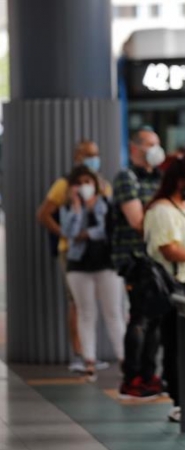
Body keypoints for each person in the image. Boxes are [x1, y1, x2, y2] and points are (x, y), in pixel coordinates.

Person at [36, 139, 111, 373]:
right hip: (72, 254)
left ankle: (92, 353)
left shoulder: (103, 184)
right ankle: (80, 355)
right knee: (78, 303)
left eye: (96, 154)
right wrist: (67, 235)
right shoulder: (64, 185)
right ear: (77, 157)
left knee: (103, 304)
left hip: (100, 254)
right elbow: (44, 214)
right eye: (88, 154)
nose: (93, 158)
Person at [143, 151, 185, 422]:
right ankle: (180, 402)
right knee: (175, 342)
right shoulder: (161, 211)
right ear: (180, 181)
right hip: (175, 283)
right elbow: (169, 250)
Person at [114, 127, 166, 399]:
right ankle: (132, 375)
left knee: (156, 318)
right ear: (135, 147)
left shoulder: (159, 178)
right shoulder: (126, 177)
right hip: (134, 259)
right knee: (139, 318)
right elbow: (137, 221)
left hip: (158, 259)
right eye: (149, 144)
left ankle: (149, 374)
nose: (155, 149)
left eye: (157, 143)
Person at [60, 166, 125, 381]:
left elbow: (107, 230)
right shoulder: (68, 209)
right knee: (86, 312)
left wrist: (87, 233)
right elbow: (68, 233)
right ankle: (89, 360)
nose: (84, 186)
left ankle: (125, 358)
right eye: (79, 183)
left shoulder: (105, 204)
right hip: (78, 266)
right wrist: (77, 209)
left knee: (113, 312)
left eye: (88, 181)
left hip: (106, 264)